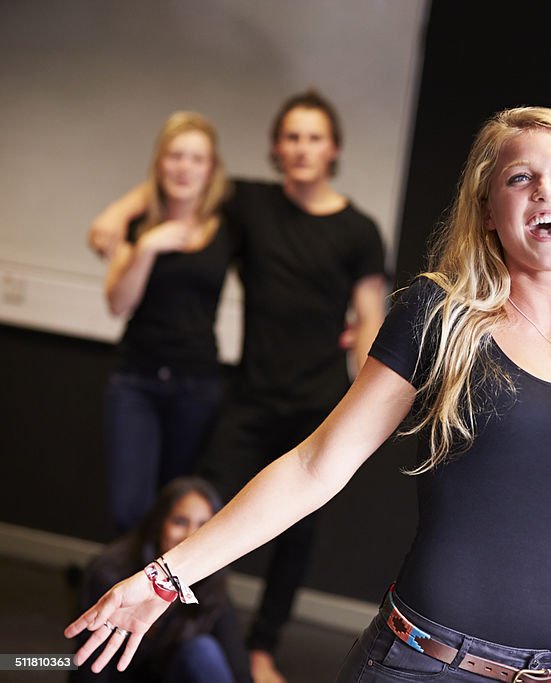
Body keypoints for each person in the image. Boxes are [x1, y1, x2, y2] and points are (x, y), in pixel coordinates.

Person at [67, 107, 551, 683]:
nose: (544, 189)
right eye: (520, 176)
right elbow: (316, 467)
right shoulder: (437, 318)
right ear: (491, 208)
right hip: (428, 667)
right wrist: (164, 576)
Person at [87, 90, 388, 683]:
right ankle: (182, 628)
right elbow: (168, 190)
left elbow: (370, 319)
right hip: (248, 399)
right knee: (204, 517)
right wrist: (117, 226)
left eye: (314, 138)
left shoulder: (359, 230)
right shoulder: (251, 205)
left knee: (296, 537)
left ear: (333, 150)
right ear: (278, 148)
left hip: (319, 404)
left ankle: (260, 647)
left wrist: (365, 403)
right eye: (292, 137)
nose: (302, 148)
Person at [102, 111, 233, 533]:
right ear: (159, 163)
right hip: (135, 381)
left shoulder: (228, 228)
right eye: (175, 156)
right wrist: (145, 248)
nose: (185, 167)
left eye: (197, 158)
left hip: (196, 386)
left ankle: (165, 599)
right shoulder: (139, 227)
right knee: (130, 509)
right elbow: (118, 303)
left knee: (177, 515)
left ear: (210, 169)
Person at [71, 477, 251, 682]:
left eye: (203, 526)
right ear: (159, 525)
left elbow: (239, 671)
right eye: (180, 522)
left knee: (202, 651)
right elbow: (89, 666)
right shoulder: (112, 574)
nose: (191, 535)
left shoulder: (212, 582)